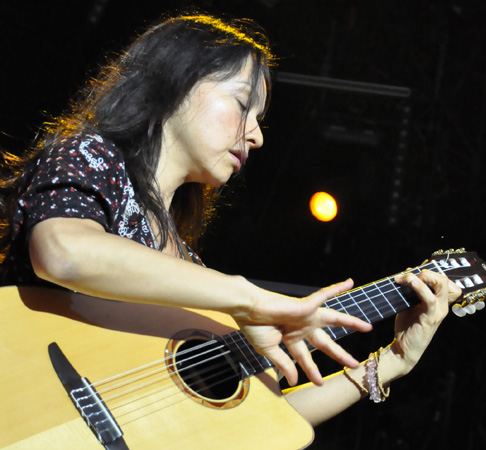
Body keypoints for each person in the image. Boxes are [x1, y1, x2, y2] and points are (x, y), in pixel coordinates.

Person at [0, 13, 461, 428]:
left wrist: (390, 364)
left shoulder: (193, 274)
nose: (257, 136)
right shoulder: (90, 156)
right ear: (175, 81)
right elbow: (62, 253)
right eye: (243, 106)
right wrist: (250, 299)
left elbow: (256, 423)